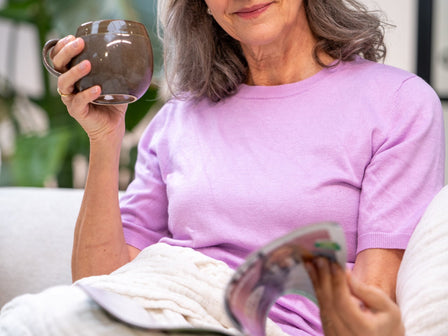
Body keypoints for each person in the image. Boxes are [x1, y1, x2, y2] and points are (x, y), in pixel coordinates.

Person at [2, 0, 445, 335]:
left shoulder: (398, 104)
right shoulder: (179, 117)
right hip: (150, 306)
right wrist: (104, 138)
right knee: (32, 321)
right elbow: (97, 281)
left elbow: (369, 304)